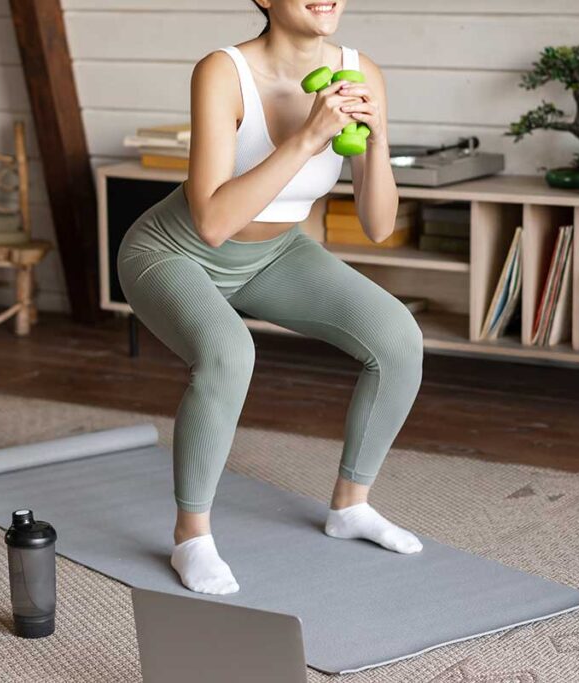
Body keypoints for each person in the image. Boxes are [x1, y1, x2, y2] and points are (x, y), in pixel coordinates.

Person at [116, 0, 424, 596]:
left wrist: (379, 137)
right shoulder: (222, 71)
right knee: (230, 355)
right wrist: (309, 137)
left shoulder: (362, 72)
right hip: (171, 252)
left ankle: (350, 506)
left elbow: (379, 225)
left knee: (397, 338)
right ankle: (191, 538)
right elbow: (212, 221)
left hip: (275, 254)